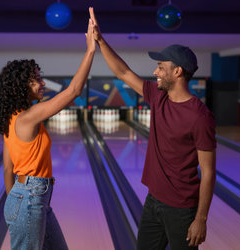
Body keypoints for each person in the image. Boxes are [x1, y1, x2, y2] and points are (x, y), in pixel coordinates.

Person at [89, 7, 216, 250]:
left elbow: (208, 172)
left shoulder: (200, 117)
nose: (155, 72)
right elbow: (123, 72)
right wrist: (100, 40)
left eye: (160, 66)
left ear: (177, 71)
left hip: (182, 209)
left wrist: (201, 219)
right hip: (153, 200)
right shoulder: (159, 97)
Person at [0, 18, 96, 250]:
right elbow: (74, 90)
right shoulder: (29, 116)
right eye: (36, 80)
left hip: (29, 198)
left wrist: (14, 201)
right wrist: (90, 51)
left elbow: (8, 169)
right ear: (21, 86)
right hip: (31, 198)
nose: (42, 83)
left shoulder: (11, 118)